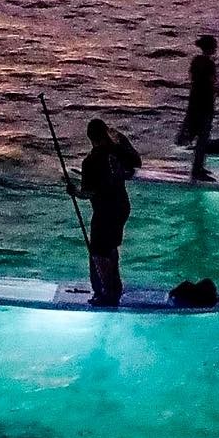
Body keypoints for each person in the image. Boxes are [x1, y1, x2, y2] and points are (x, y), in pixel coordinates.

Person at [69, 119, 141, 307]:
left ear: (90, 138)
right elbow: (135, 164)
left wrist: (74, 192)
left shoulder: (90, 161)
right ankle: (115, 287)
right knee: (110, 248)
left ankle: (108, 293)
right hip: (122, 206)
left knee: (99, 252)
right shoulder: (116, 150)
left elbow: (88, 192)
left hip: (104, 211)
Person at [177, 34, 219, 180]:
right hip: (205, 103)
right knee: (203, 136)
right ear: (210, 48)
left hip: (195, 101)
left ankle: (198, 167)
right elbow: (212, 84)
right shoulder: (209, 64)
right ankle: (197, 170)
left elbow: (195, 80)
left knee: (197, 133)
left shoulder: (196, 61)